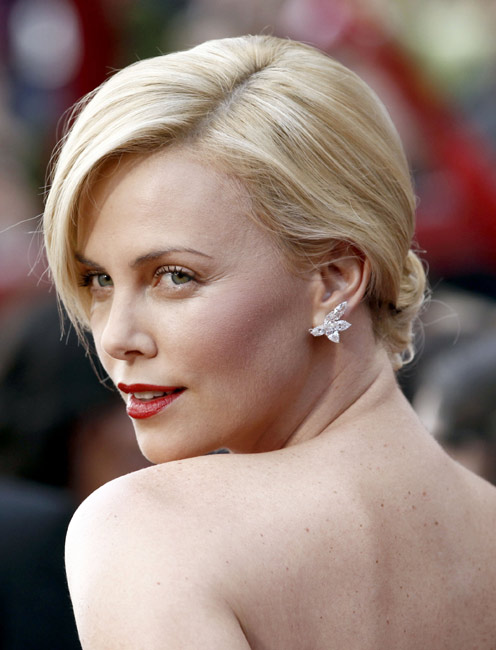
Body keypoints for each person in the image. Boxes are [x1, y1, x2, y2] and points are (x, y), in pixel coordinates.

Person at [43, 35, 496, 649]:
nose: (117, 337)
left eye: (174, 276)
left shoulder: (154, 532)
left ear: (333, 281)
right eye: (98, 280)